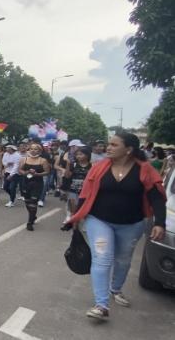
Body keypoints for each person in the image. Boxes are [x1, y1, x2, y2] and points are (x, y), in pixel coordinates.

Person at [62, 133, 166, 320]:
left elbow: (157, 197)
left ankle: (115, 289)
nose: (108, 148)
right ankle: (101, 305)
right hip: (99, 220)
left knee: (123, 260)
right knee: (102, 258)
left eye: (113, 145)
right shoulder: (99, 168)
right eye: (108, 144)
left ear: (128, 149)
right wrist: (77, 216)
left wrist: (160, 223)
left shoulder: (145, 169)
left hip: (132, 224)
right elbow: (85, 194)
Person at [18, 143, 51, 231]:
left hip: (37, 184)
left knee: (33, 202)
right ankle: (33, 216)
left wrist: (37, 174)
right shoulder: (23, 159)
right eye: (31, 148)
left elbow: (47, 172)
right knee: (27, 202)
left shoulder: (43, 160)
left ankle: (30, 222)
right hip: (25, 183)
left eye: (35, 149)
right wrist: (26, 172)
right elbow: (20, 170)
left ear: (39, 151)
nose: (33, 150)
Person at [64, 147, 92, 214]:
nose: (78, 156)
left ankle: (77, 222)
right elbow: (67, 176)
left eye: (81, 154)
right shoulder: (73, 164)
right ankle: (73, 222)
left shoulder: (92, 165)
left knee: (82, 209)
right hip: (73, 189)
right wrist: (68, 165)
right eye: (77, 154)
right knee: (73, 210)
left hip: (86, 191)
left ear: (87, 155)